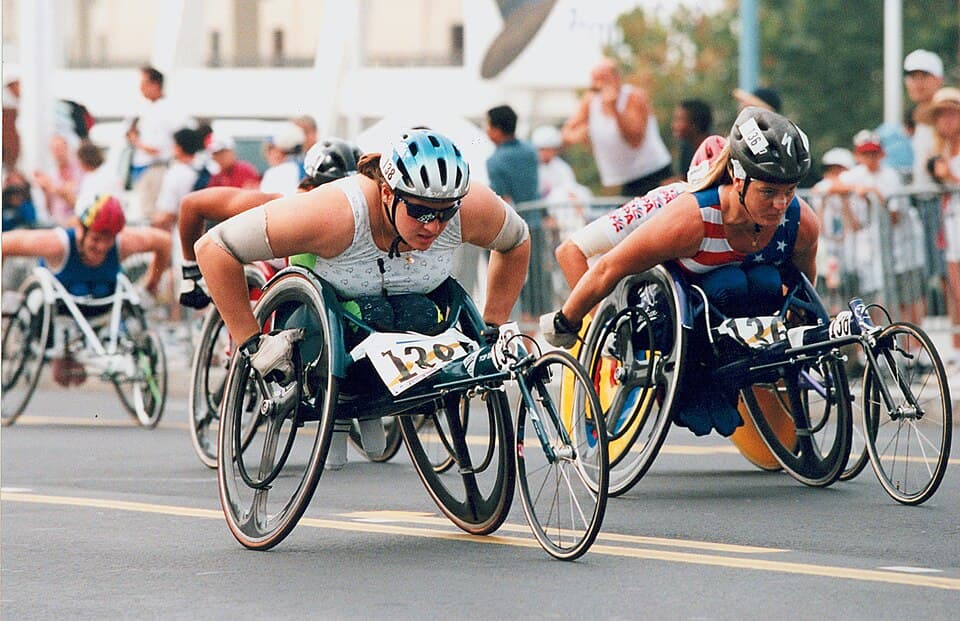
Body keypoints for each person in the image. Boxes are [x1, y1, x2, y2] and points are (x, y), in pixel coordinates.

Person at [195, 130, 529, 464]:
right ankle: (346, 395)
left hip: (409, 315)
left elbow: (517, 241)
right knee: (376, 312)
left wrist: (492, 325)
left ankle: (376, 394)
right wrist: (252, 343)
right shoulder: (332, 214)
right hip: (322, 323)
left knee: (421, 313)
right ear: (387, 193)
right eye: (421, 212)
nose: (433, 226)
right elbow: (213, 247)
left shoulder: (472, 209)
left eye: (446, 213)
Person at [542, 107, 818, 437]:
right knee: (728, 281)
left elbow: (803, 291)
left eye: (789, 192)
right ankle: (695, 374)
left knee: (764, 280)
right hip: (674, 307)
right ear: (733, 180)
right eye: (769, 193)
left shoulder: (799, 221)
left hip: (736, 307)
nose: (780, 205)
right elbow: (589, 259)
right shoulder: (679, 210)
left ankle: (735, 366)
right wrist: (584, 324)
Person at [2, 194, 171, 383]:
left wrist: (152, 285)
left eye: (109, 239)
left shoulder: (124, 243)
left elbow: (164, 241)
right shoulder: (57, 244)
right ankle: (60, 355)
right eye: (96, 239)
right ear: (81, 230)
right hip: (57, 312)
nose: (102, 247)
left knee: (134, 300)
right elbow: (4, 244)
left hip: (101, 308)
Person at [555, 134, 728, 289]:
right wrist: (592, 313)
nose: (716, 200)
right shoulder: (665, 199)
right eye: (712, 190)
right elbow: (569, 250)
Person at [561, 57, 673, 197]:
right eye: (596, 79)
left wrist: (614, 109)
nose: (600, 84)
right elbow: (566, 133)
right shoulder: (590, 101)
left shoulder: (634, 97)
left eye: (604, 78)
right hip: (620, 179)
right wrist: (576, 136)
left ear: (617, 78)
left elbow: (635, 141)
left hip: (652, 172)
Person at [485, 105, 544, 324]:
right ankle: (532, 336)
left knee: (507, 286)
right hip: (536, 224)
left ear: (496, 129)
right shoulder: (530, 151)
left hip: (513, 231)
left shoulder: (495, 161)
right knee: (536, 288)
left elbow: (501, 199)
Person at [126, 66, 186, 220]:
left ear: (155, 84)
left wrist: (136, 141)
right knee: (147, 213)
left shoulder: (168, 109)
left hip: (157, 167)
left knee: (153, 216)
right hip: (145, 168)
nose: (141, 88)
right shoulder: (148, 108)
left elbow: (158, 148)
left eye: (143, 83)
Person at [928, 86, 960, 368]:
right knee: (954, 288)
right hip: (951, 224)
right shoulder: (941, 150)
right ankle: (957, 346)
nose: (945, 120)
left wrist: (949, 176)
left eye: (951, 114)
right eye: (940, 115)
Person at [810, 147, 858, 313]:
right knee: (829, 283)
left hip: (847, 243)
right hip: (827, 242)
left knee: (849, 287)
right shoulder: (821, 187)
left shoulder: (851, 187)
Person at [904, 49, 944, 188]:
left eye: (924, 76)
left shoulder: (949, 116)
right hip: (922, 194)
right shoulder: (915, 120)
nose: (917, 83)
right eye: (913, 77)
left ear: (939, 80)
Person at [32, 134, 83, 226]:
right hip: (60, 223)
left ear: (67, 148)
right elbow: (48, 210)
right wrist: (45, 191)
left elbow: (79, 201)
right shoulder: (52, 174)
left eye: (60, 148)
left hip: (79, 221)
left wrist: (52, 188)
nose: (58, 152)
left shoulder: (80, 168)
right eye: (55, 149)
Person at [259, 122, 305, 196]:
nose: (266, 154)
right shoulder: (307, 168)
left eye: (270, 148)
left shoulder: (274, 173)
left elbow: (266, 200)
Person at [672, 99, 713, 176]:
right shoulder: (686, 148)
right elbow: (684, 177)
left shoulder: (713, 150)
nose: (674, 125)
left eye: (680, 119)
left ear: (695, 124)